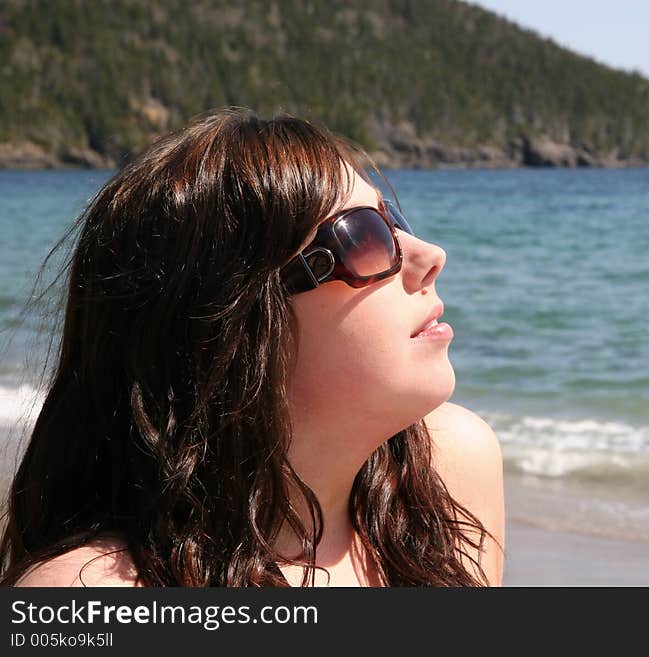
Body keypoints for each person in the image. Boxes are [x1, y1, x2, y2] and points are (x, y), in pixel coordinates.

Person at [0, 107, 504, 587]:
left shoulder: (446, 482)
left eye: (394, 221)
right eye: (365, 236)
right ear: (230, 327)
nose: (431, 256)